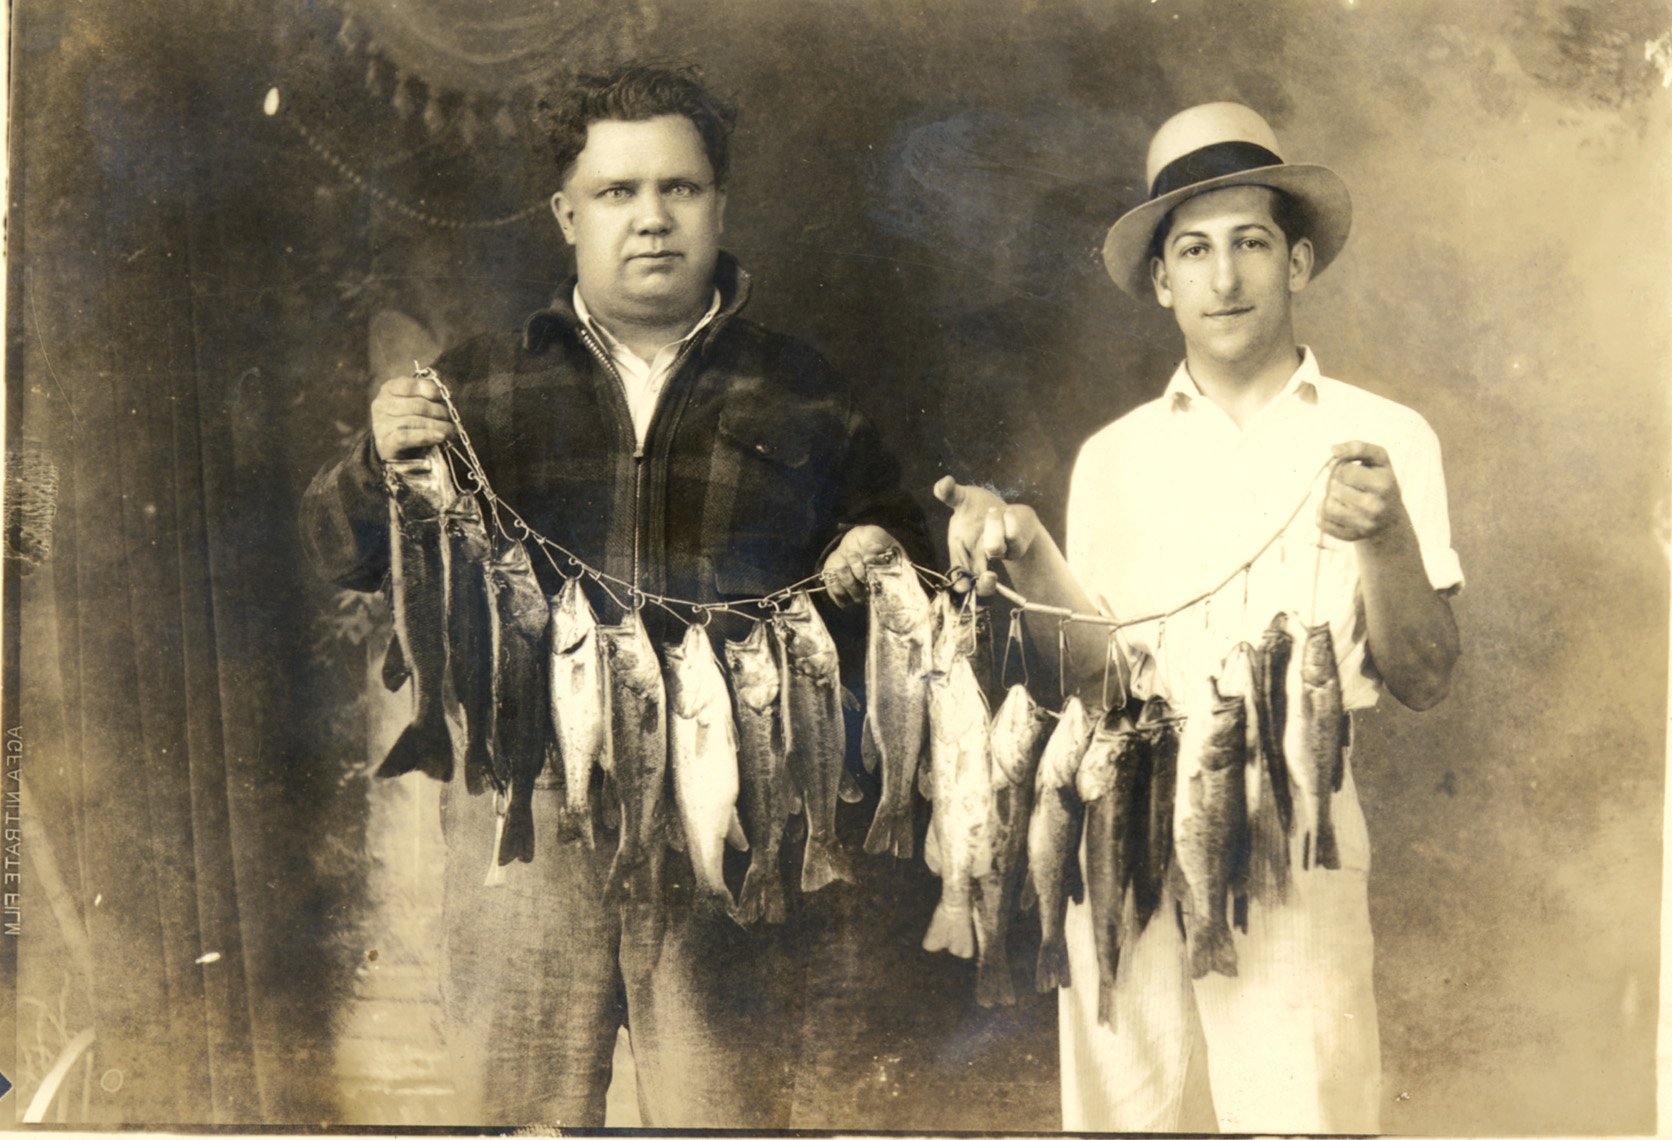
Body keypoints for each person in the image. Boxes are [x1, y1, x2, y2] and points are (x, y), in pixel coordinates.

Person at [301, 63, 928, 1128]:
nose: (650, 220)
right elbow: (341, 549)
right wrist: (377, 456)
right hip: (528, 821)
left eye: (679, 190)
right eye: (617, 193)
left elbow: (906, 559)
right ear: (567, 214)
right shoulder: (479, 382)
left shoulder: (807, 390)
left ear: (718, 207)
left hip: (730, 820)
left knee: (726, 1117)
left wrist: (883, 545)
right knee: (516, 1117)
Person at [937, 102, 1462, 1133]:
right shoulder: (1113, 457)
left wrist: (1385, 534)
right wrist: (1031, 553)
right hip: (1122, 825)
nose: (1224, 279)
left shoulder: (1384, 435)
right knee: (1135, 1114)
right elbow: (1098, 688)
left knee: (1301, 1111)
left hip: (1293, 829)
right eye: (1194, 251)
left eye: (1251, 244)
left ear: (1299, 263)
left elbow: (1425, 676)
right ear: (1160, 281)